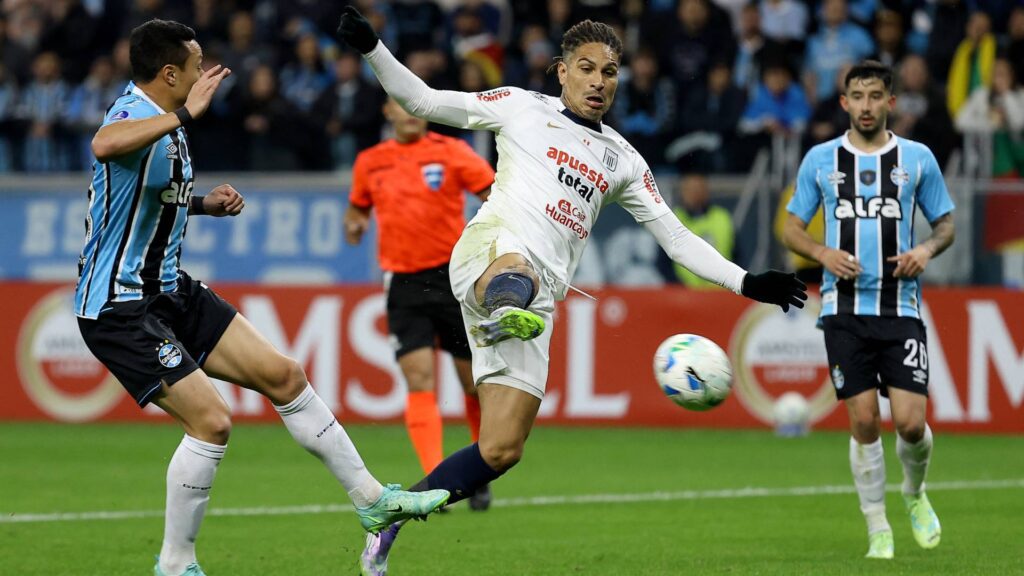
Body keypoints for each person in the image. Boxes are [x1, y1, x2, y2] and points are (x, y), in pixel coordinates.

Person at [337, 8, 807, 575]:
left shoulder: (624, 161)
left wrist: (749, 281)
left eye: (610, 72)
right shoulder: (520, 107)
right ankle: (500, 307)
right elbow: (424, 102)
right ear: (561, 72)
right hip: (490, 251)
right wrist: (372, 47)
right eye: (587, 69)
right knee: (521, 270)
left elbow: (678, 240)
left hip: (538, 299)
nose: (599, 82)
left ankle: (391, 519)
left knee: (502, 449)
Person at [72, 19, 449, 576]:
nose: (204, 76)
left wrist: (201, 204)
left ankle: (372, 501)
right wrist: (184, 113)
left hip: (170, 288)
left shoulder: (168, 127)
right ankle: (175, 564)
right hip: (119, 305)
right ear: (169, 73)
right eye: (196, 66)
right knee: (212, 422)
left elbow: (144, 199)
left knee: (285, 376)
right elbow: (104, 146)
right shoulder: (133, 114)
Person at [782, 60, 955, 560]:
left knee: (910, 425)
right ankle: (878, 525)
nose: (865, 105)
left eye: (875, 96)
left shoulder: (917, 158)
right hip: (842, 308)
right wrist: (821, 254)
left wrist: (925, 250)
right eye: (856, 96)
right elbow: (793, 226)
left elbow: (946, 224)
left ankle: (915, 493)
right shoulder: (820, 159)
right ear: (844, 103)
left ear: (890, 103)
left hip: (900, 308)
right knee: (863, 422)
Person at [345, 96, 496, 511]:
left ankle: (479, 469)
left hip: (452, 279)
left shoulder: (452, 153)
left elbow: (495, 193)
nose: (409, 113)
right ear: (387, 111)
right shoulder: (370, 162)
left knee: (471, 383)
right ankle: (438, 485)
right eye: (399, 105)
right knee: (419, 381)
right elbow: (356, 211)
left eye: (414, 105)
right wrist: (355, 226)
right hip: (403, 285)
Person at [671, 174, 735, 288]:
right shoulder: (673, 219)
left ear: (706, 191)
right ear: (682, 193)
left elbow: (737, 255)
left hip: (721, 294)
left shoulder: (722, 217)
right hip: (685, 296)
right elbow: (663, 263)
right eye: (690, 190)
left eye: (699, 189)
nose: (695, 194)